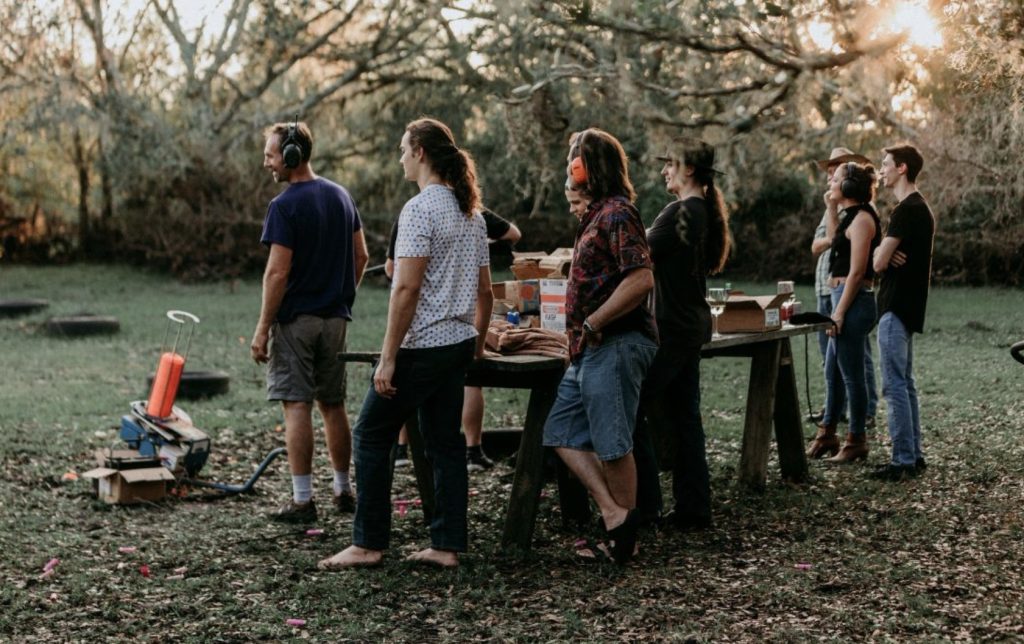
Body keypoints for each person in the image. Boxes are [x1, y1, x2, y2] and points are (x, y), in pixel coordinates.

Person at [318, 117, 492, 569]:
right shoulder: (471, 213)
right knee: (445, 443)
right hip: (457, 344)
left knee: (371, 434)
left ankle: (369, 543)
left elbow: (406, 290)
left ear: (420, 153)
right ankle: (447, 545)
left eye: (402, 150)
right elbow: (486, 291)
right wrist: (473, 346)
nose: (399, 158)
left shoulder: (419, 210)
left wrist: (388, 359)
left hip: (425, 346)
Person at [542, 128, 658, 565]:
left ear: (589, 167)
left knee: (612, 445)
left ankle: (624, 541)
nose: (569, 168)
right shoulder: (595, 215)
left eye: (575, 160)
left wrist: (593, 321)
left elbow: (641, 278)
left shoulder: (617, 214)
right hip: (588, 348)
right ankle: (615, 516)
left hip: (615, 342)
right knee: (560, 431)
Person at [251, 120, 369, 522]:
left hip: (297, 323)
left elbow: (277, 274)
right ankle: (343, 489)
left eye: (270, 155)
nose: (267, 163)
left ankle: (303, 500)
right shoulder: (341, 196)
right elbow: (362, 256)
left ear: (290, 156)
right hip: (335, 322)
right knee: (333, 404)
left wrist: (262, 328)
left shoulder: (283, 206)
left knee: (296, 404)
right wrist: (341, 297)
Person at [385, 209, 521, 471]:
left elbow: (393, 268)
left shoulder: (414, 213)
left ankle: (402, 450)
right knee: (468, 382)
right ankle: (473, 450)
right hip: (463, 316)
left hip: (421, 322)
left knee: (405, 381)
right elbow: (514, 235)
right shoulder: (475, 214)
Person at [639, 138, 730, 532]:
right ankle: (694, 509)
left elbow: (636, 252)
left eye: (670, 164)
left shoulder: (680, 213)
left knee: (632, 408)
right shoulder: (702, 212)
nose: (664, 171)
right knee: (685, 416)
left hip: (672, 329)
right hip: (690, 324)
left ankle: (645, 507)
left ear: (689, 170)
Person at [806, 161, 881, 463]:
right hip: (842, 297)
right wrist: (830, 205)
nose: (830, 183)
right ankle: (827, 435)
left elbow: (857, 271)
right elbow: (836, 239)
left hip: (855, 300)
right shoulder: (849, 215)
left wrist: (838, 312)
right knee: (832, 371)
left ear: (849, 186)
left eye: (835, 180)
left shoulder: (863, 219)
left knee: (851, 376)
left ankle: (856, 440)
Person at [870, 144, 935, 481]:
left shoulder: (906, 210)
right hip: (907, 307)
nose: (881, 171)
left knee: (894, 383)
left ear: (903, 168)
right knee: (904, 382)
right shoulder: (916, 209)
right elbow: (885, 256)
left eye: (885, 165)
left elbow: (878, 263)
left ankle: (902, 461)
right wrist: (886, 248)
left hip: (895, 306)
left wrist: (883, 252)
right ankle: (914, 454)